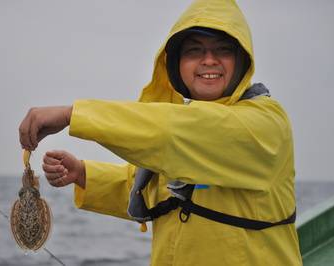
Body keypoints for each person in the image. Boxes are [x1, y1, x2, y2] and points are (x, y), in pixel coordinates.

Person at [19, 0, 302, 265]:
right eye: (194, 50)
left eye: (224, 50)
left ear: (242, 61)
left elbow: (175, 134)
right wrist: (83, 174)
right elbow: (152, 190)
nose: (209, 60)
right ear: (176, 65)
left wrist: (73, 115)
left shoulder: (265, 124)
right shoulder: (177, 137)